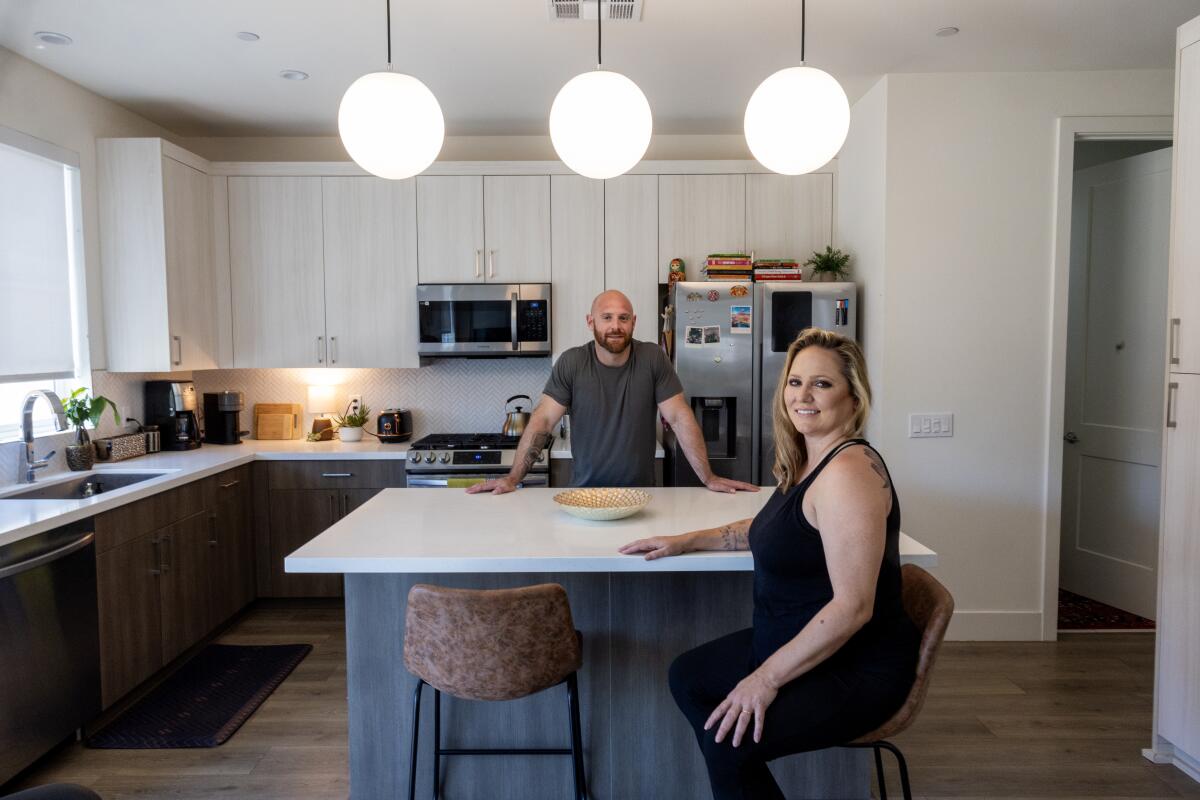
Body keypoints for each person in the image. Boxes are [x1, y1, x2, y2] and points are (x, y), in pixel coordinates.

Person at [618, 328, 918, 800]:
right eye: (795, 382)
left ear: (852, 396)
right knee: (689, 677)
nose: (803, 395)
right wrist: (687, 540)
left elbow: (853, 608)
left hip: (853, 667)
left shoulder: (848, 474)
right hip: (799, 642)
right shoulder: (809, 460)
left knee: (729, 745)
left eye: (821, 384)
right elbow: (769, 529)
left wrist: (764, 681)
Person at [467, 290, 757, 494]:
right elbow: (543, 422)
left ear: (633, 321)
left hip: (642, 496)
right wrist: (513, 478)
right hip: (584, 495)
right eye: (606, 317)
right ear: (590, 322)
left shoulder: (653, 358)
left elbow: (680, 418)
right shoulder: (571, 362)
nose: (615, 326)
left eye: (623, 317)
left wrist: (708, 477)